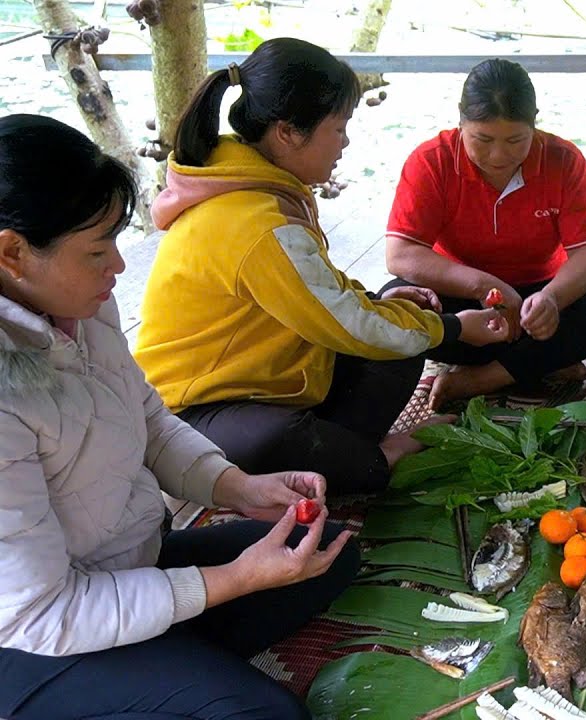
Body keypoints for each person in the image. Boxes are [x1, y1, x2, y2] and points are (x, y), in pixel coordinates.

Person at [0, 113, 360, 720]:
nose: (117, 267)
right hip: (32, 638)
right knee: (262, 715)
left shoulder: (81, 307)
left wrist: (238, 487)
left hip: (126, 562)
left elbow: (149, 419)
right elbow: (39, 612)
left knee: (326, 549)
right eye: (96, 250)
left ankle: (156, 665)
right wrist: (236, 581)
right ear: (12, 252)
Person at [133, 39, 507, 495]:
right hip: (197, 413)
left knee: (399, 338)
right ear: (288, 132)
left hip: (277, 382)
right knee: (303, 440)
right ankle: (372, 459)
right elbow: (344, 320)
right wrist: (453, 329)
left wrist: (380, 303)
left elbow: (320, 291)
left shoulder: (263, 186)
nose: (345, 142)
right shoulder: (254, 222)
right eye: (339, 127)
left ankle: (344, 453)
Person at [383, 58, 586, 409]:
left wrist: (552, 299)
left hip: (538, 299)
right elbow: (401, 254)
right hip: (464, 300)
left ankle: (481, 379)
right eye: (482, 139)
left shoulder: (563, 160)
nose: (498, 156)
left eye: (516, 140)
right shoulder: (431, 161)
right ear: (460, 122)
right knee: (396, 302)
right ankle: (538, 361)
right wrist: (482, 285)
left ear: (535, 123)